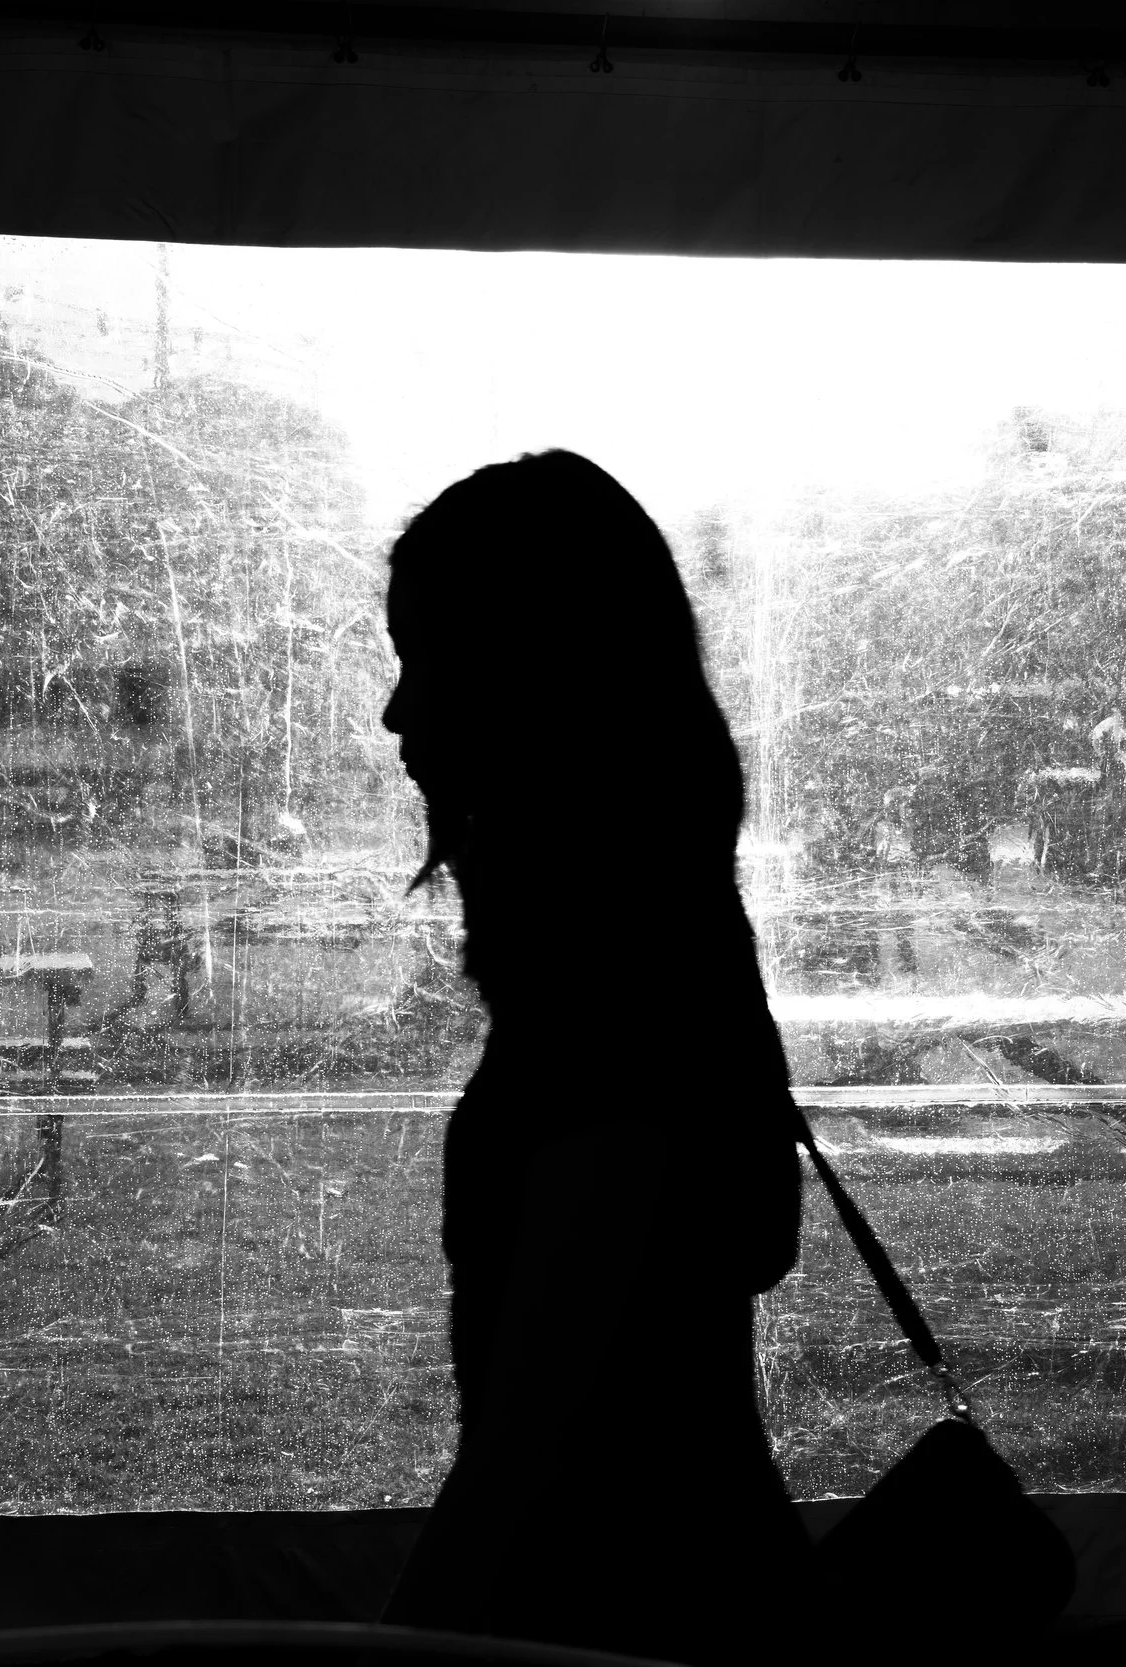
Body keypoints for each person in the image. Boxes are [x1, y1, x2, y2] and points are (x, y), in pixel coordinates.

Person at [377, 451, 816, 1665]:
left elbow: (529, 1451)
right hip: (704, 1598)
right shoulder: (686, 945)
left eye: (429, 657)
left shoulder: (610, 997)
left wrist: (383, 1661)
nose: (397, 710)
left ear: (534, 679)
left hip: (620, 1635)